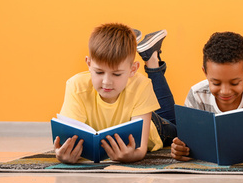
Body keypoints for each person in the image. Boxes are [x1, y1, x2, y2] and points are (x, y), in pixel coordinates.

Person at [53, 23, 176, 164]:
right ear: (88, 63)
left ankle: (152, 59)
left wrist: (132, 156)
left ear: (133, 69)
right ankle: (135, 47)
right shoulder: (76, 86)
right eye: (99, 72)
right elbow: (67, 139)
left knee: (180, 131)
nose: (106, 82)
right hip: (134, 109)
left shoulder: (140, 85)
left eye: (116, 74)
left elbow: (140, 150)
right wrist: (64, 154)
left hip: (154, 125)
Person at [170, 32, 243, 165]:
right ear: (205, 72)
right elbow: (188, 145)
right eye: (216, 83)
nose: (225, 92)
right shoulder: (196, 94)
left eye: (234, 83)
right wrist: (181, 150)